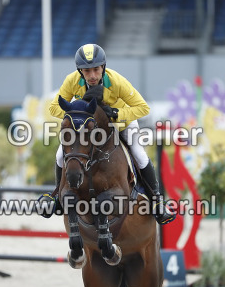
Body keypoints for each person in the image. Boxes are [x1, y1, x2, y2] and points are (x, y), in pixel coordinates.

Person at [40, 43, 175, 225]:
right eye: (87, 71)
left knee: (139, 154)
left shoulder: (116, 81)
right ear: (80, 71)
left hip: (121, 124)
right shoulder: (72, 81)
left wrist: (117, 113)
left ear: (103, 67)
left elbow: (143, 108)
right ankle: (57, 197)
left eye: (96, 69)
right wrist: (77, 113)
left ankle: (157, 201)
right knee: (59, 155)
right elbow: (53, 108)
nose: (92, 76)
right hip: (88, 128)